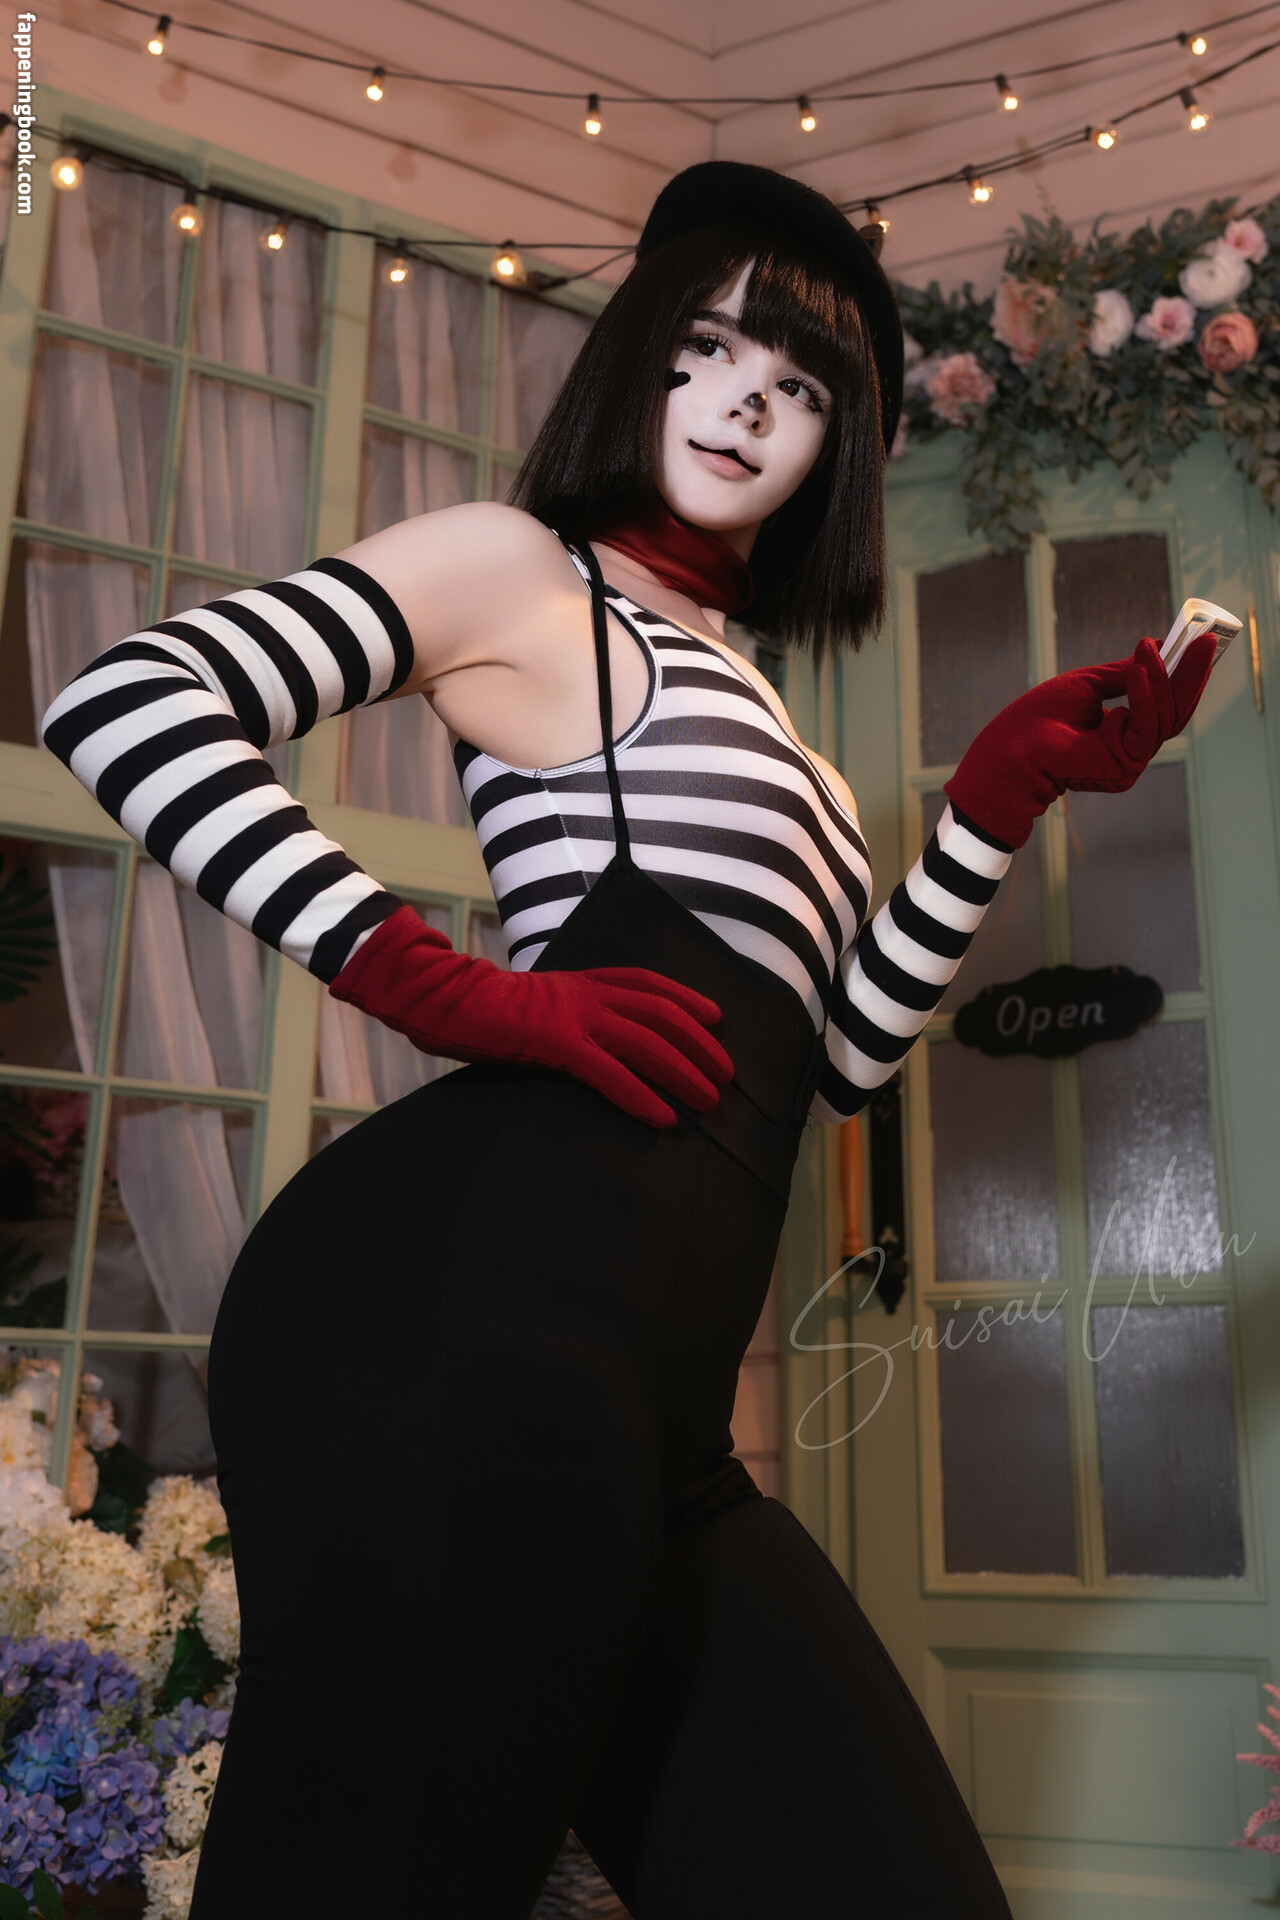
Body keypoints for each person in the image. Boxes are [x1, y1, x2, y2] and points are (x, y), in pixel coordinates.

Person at [41, 162, 1213, 1917]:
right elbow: (125, 702)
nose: (749, 404)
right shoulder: (522, 574)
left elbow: (832, 1065)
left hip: (648, 1415)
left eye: (803, 389)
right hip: (458, 1314)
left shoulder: (786, 735)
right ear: (639, 356)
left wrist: (997, 798)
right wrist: (446, 986)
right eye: (711, 350)